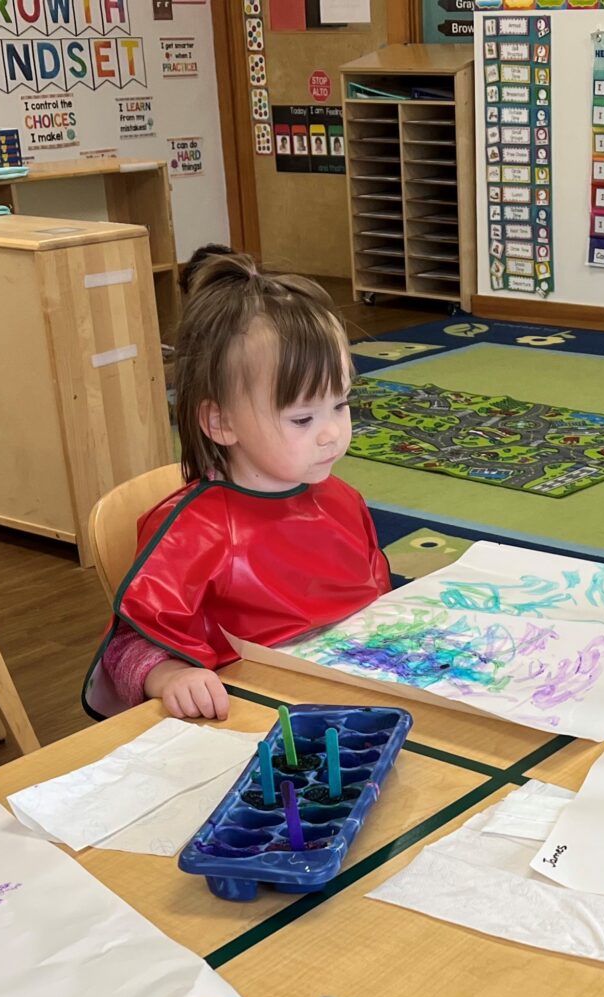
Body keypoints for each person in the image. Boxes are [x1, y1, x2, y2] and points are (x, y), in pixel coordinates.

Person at [84, 252, 390, 721]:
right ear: (221, 422)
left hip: (360, 703)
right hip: (254, 726)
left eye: (341, 404)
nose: (332, 432)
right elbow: (125, 650)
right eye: (303, 418)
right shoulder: (193, 533)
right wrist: (169, 677)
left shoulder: (343, 502)